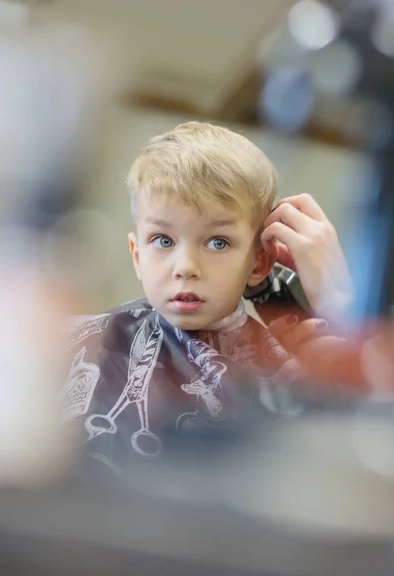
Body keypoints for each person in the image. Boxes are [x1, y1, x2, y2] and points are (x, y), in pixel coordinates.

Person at [63, 121, 353, 478]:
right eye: (164, 241)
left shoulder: (282, 378)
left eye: (218, 242)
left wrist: (337, 299)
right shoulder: (72, 342)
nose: (185, 267)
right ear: (138, 255)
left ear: (260, 261)